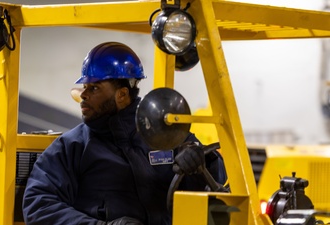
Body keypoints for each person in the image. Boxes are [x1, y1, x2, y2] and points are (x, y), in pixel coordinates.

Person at [22, 41, 227, 225]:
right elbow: (38, 204)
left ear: (122, 95)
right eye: (84, 87)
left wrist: (203, 163)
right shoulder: (72, 146)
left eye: (94, 88)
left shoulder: (166, 135)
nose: (83, 95)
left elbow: (219, 184)